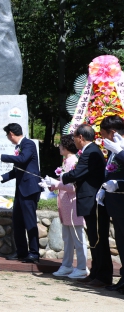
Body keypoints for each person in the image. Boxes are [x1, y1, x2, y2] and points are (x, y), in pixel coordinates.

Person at [55, 123, 111, 287]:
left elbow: (78, 173)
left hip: (93, 200)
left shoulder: (90, 152)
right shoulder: (90, 151)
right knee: (94, 238)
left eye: (74, 137)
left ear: (80, 137)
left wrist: (61, 178)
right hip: (89, 199)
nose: (74, 140)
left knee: (98, 239)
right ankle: (95, 273)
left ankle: (103, 276)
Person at [0, 123, 41, 263]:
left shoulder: (28, 144)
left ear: (11, 133)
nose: (8, 138)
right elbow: (17, 170)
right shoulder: (19, 147)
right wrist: (2, 178)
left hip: (30, 190)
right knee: (17, 222)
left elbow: (22, 159)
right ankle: (21, 252)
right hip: (20, 191)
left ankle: (34, 253)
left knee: (30, 222)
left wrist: (2, 157)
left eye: (8, 135)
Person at [45, 134, 88, 279]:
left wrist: (56, 184)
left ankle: (82, 267)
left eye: (61, 144)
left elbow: (74, 186)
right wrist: (52, 186)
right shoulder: (66, 161)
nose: (59, 147)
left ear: (66, 146)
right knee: (67, 238)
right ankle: (67, 265)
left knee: (78, 237)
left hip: (72, 205)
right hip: (65, 205)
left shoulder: (73, 161)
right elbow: (63, 183)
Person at [97, 116, 124, 291]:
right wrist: (103, 187)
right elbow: (109, 170)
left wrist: (121, 152)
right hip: (115, 201)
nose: (103, 139)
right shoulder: (113, 148)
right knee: (121, 242)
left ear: (113, 132)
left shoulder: (119, 147)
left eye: (104, 134)